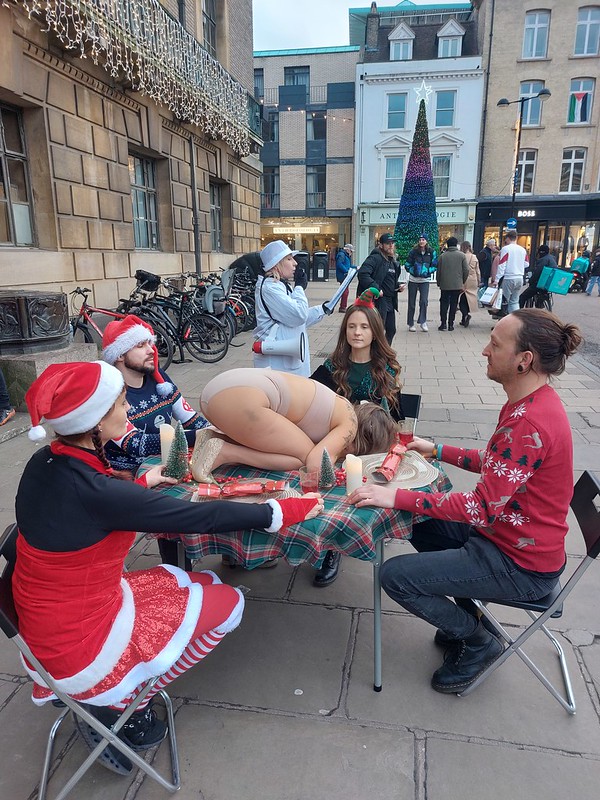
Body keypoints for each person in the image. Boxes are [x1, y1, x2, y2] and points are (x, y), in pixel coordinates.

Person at [14, 361, 322, 767]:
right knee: (230, 604)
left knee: (203, 580)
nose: (127, 411)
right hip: (80, 642)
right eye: (120, 404)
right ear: (94, 424)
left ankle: (117, 696)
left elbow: (82, 516)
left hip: (50, 619)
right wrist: (277, 512)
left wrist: (141, 485)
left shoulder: (46, 461)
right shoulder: (98, 490)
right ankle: (123, 704)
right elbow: (200, 517)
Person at [348, 309, 582, 695]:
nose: (484, 350)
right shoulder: (531, 403)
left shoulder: (529, 422)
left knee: (395, 576)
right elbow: (499, 466)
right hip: (507, 540)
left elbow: (480, 508)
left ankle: (477, 640)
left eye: (495, 344)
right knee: (423, 523)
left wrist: (395, 496)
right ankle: (470, 617)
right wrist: (438, 449)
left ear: (524, 361)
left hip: (520, 565)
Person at [309, 289, 405, 586]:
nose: (357, 332)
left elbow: (396, 417)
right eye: (351, 326)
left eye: (364, 327)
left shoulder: (384, 369)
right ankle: (330, 546)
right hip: (337, 442)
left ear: (375, 332)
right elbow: (310, 400)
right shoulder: (333, 367)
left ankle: (364, 529)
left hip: (371, 445)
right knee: (327, 483)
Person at [195, 368, 398, 479]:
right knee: (302, 457)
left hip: (220, 389)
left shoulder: (339, 406)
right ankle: (225, 451)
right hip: (243, 400)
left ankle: (216, 437)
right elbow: (315, 466)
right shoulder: (349, 422)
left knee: (290, 447)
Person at [101, 315, 209, 474]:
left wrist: (215, 430)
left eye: (150, 343)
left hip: (165, 462)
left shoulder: (160, 379)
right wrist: (201, 435)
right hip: (129, 476)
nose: (151, 350)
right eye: (140, 345)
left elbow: (190, 418)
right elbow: (135, 443)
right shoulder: (108, 392)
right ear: (119, 354)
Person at [253, 240, 327, 377]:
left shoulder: (279, 285)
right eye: (289, 259)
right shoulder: (270, 288)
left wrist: (321, 310)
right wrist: (299, 287)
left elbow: (295, 318)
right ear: (276, 264)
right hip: (278, 365)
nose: (295, 263)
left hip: (287, 362)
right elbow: (298, 315)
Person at [357, 233, 403, 345]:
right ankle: (376, 356)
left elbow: (389, 279)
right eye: (388, 243)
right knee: (377, 331)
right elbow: (363, 274)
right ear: (381, 245)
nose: (391, 246)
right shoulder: (375, 258)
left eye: (392, 243)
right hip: (378, 301)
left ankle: (384, 355)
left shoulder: (392, 261)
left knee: (391, 330)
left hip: (390, 301)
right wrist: (376, 288)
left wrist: (397, 286)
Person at [405, 235, 437, 333]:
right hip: (413, 280)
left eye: (423, 239)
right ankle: (411, 323)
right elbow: (407, 264)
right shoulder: (413, 252)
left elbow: (435, 265)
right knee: (411, 303)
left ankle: (423, 321)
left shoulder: (431, 252)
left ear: (426, 241)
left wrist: (427, 271)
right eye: (420, 239)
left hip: (424, 280)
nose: (421, 241)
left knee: (424, 301)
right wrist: (413, 271)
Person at [436, 236, 469, 331]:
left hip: (445, 284)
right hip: (457, 284)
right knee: (454, 304)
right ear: (456, 244)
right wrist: (462, 281)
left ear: (448, 244)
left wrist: (439, 282)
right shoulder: (462, 255)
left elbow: (439, 271)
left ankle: (443, 324)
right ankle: (451, 324)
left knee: (444, 304)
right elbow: (466, 270)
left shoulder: (442, 256)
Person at [492, 231, 528, 314]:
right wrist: (518, 266)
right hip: (519, 277)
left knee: (504, 301)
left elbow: (502, 265)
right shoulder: (522, 249)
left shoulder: (506, 249)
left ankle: (505, 321)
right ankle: (516, 319)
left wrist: (497, 280)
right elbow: (526, 264)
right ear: (516, 238)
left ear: (508, 238)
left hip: (509, 277)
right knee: (514, 301)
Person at [458, 241, 481, 327]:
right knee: (470, 298)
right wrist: (478, 280)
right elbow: (477, 270)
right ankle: (464, 318)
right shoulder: (474, 257)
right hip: (473, 278)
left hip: (464, 279)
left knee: (462, 300)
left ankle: (465, 315)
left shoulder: (461, 256)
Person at [335, 243, 355, 312]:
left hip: (344, 275)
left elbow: (347, 265)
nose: (351, 253)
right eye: (351, 251)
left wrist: (355, 267)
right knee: (345, 292)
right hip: (343, 275)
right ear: (348, 250)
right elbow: (339, 264)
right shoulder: (342, 255)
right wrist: (346, 271)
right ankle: (342, 307)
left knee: (344, 291)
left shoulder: (344, 255)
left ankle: (343, 306)